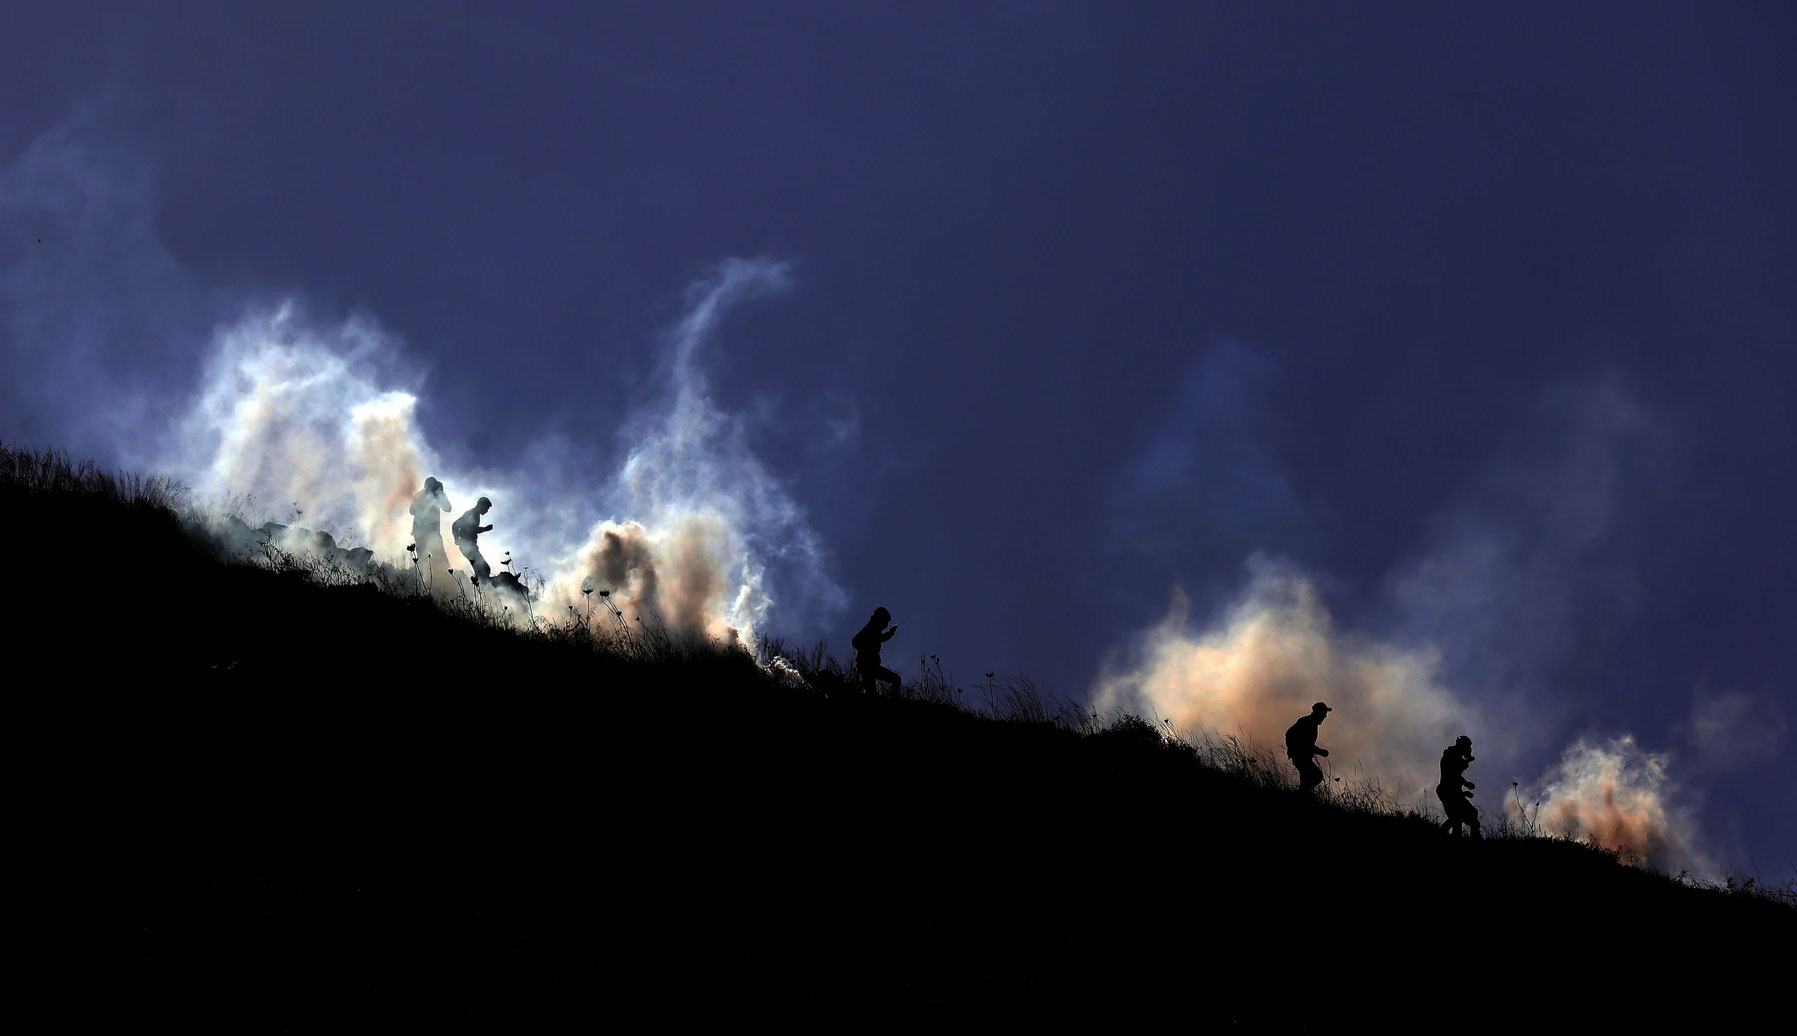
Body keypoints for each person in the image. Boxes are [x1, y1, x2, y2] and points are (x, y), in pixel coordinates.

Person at [851, 607, 901, 694]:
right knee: (895, 680)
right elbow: (855, 641)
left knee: (872, 691)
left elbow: (880, 638)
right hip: (868, 666)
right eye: (886, 621)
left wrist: (890, 633)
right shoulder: (871, 629)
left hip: (870, 665)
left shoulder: (874, 629)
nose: (886, 624)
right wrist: (866, 649)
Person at [1438, 735, 1480, 839]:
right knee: (1456, 818)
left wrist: (1465, 786)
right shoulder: (1451, 755)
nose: (1468, 749)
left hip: (1453, 791)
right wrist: (1465, 786)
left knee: (1467, 816)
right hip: (1447, 791)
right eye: (1467, 746)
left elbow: (1456, 774)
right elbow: (1452, 774)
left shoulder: (1453, 755)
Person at [1284, 701, 1332, 793]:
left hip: (1303, 756)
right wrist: (1320, 751)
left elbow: (1306, 743)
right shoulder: (1307, 723)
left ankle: (1302, 795)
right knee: (1317, 776)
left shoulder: (1310, 723)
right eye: (1324, 713)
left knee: (1307, 779)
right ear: (1318, 712)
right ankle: (1301, 794)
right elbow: (1304, 743)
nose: (1325, 716)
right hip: (1301, 756)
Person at [409, 477, 452, 578]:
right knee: (424, 558)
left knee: (439, 557)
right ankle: (425, 580)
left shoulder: (437, 495)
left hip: (432, 532)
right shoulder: (420, 495)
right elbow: (412, 511)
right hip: (421, 532)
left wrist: (441, 495)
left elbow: (448, 508)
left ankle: (445, 579)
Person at [452, 496, 495, 585]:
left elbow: (472, 529)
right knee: (484, 569)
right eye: (486, 508)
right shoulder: (472, 513)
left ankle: (481, 587)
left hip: (470, 546)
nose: (487, 511)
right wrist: (456, 539)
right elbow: (457, 524)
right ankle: (483, 588)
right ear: (481, 505)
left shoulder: (475, 514)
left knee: (483, 569)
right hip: (467, 546)